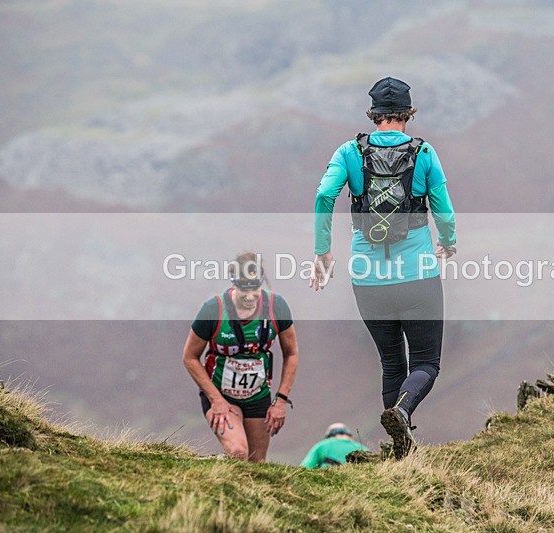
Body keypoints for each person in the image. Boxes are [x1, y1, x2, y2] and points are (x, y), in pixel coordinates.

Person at [310, 77, 457, 459]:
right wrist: (449, 239)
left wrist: (322, 252)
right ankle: (403, 413)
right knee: (426, 362)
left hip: (368, 277)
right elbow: (442, 205)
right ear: (408, 113)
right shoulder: (424, 153)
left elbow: (325, 195)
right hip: (417, 275)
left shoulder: (348, 152)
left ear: (373, 114)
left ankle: (398, 454)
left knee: (392, 364)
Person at [183, 252, 299, 462]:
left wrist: (281, 400)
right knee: (238, 452)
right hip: (221, 396)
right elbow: (190, 357)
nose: (250, 296)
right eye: (244, 289)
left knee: (257, 463)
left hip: (258, 396)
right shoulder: (213, 309)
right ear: (233, 284)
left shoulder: (276, 306)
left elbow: (291, 353)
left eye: (255, 289)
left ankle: (239, 488)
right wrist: (215, 400)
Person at [300, 423, 370, 468]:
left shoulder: (322, 445)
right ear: (350, 436)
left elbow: (304, 468)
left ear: (329, 436)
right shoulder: (363, 448)